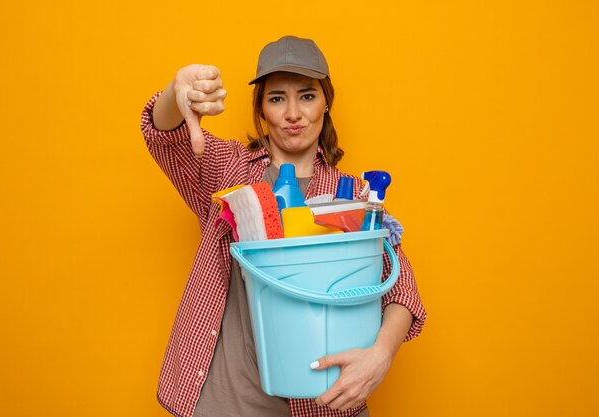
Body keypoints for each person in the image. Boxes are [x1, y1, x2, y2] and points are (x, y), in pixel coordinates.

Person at [141, 35, 426, 417]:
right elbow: (165, 137)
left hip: (320, 403)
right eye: (277, 98)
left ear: (326, 103)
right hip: (223, 403)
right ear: (261, 109)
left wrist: (381, 355)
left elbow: (401, 289)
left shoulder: (356, 195)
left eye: (307, 96)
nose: (293, 113)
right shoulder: (229, 170)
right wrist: (177, 90)